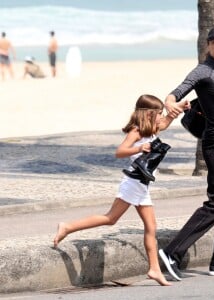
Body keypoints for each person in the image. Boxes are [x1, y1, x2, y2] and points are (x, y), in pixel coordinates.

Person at [53, 94, 189, 286]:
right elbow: (120, 152)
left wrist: (179, 109)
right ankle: (67, 227)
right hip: (133, 183)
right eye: (158, 113)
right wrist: (141, 148)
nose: (161, 116)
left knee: (151, 227)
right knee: (110, 218)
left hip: (142, 185)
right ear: (149, 114)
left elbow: (166, 123)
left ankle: (154, 269)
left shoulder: (152, 128)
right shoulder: (136, 132)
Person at [158, 26, 214, 280]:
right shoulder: (203, 70)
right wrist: (171, 104)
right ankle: (171, 253)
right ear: (208, 45)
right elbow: (176, 91)